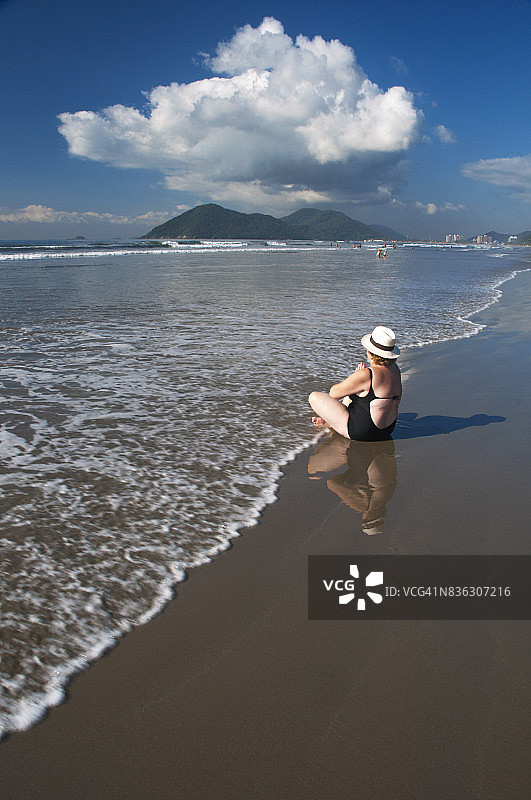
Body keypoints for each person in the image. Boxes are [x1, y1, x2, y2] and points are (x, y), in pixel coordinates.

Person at [308, 326, 402, 441]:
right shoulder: (395, 369)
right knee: (359, 393)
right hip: (386, 430)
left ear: (370, 352)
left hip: (363, 433)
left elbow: (333, 393)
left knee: (314, 397)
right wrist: (357, 383)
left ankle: (332, 424)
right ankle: (332, 423)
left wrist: (355, 377)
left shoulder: (367, 374)